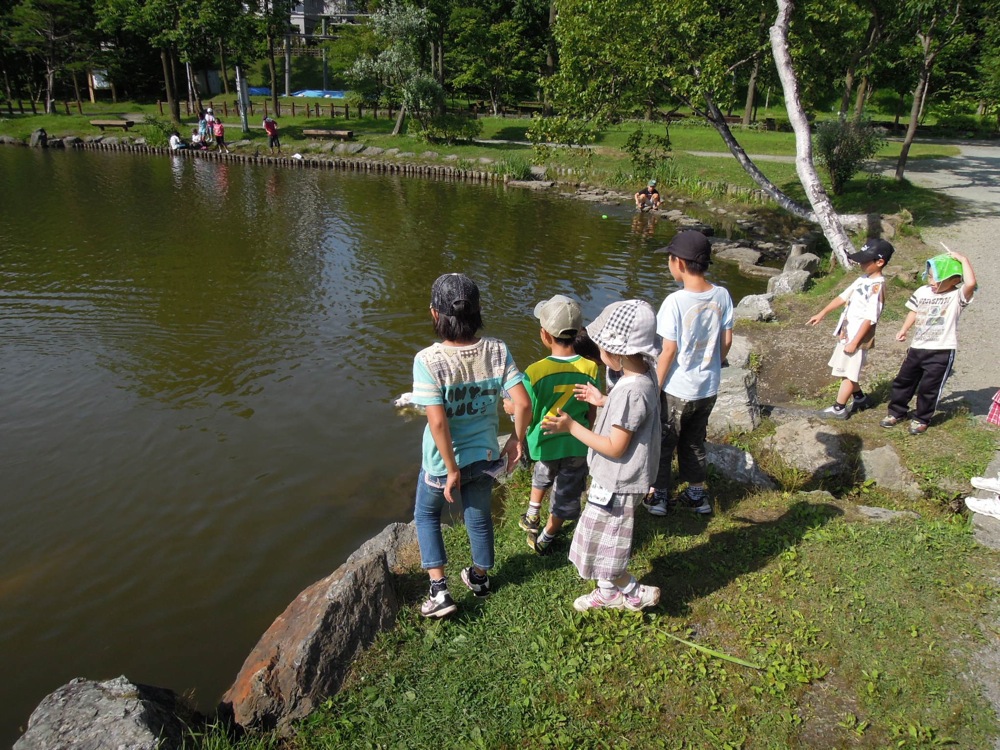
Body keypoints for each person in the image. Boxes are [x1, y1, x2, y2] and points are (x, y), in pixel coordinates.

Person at [410, 273, 531, 618]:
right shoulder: (496, 350)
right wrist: (516, 441)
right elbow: (522, 403)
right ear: (477, 313)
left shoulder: (428, 361)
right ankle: (479, 579)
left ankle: (439, 592)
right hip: (486, 456)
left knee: (426, 514)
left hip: (441, 463)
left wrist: (450, 470)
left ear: (435, 314)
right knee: (478, 518)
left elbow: (437, 422)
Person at [543, 299, 662, 612]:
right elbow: (631, 417)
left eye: (602, 346)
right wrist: (602, 399)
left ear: (617, 352)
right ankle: (611, 591)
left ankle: (630, 593)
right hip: (620, 479)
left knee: (607, 546)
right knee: (601, 539)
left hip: (617, 482)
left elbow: (614, 446)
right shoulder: (645, 375)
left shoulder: (629, 390)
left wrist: (571, 426)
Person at [645, 230, 733, 516]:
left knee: (664, 441)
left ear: (679, 263)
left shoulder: (674, 302)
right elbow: (727, 340)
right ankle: (697, 496)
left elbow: (667, 350)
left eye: (669, 260)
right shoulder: (722, 295)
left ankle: (658, 496)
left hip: (677, 389)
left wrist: (654, 387)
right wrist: (713, 365)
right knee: (694, 440)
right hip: (708, 388)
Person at [518, 295, 600, 556]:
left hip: (544, 442)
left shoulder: (534, 371)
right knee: (566, 490)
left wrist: (515, 421)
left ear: (544, 335)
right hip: (576, 442)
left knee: (542, 474)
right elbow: (592, 407)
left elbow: (527, 410)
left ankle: (533, 514)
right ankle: (548, 535)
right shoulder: (590, 367)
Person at [880, 250, 976, 435]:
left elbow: (971, 282)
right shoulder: (922, 291)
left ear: (954, 280)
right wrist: (904, 329)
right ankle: (896, 412)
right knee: (903, 381)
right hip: (917, 347)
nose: (931, 282)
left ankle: (921, 418)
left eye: (936, 279)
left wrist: (964, 259)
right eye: (930, 276)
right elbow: (914, 311)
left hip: (941, 350)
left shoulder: (957, 297)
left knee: (929, 387)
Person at [806, 238, 894, 421]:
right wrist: (822, 313)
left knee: (847, 372)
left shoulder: (877, 287)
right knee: (845, 369)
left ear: (880, 262)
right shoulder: (863, 279)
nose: (861, 264)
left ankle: (839, 408)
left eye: (864, 261)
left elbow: (871, 318)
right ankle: (860, 398)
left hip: (857, 338)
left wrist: (855, 342)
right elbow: (842, 297)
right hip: (847, 332)